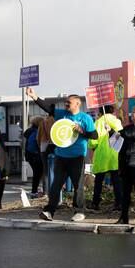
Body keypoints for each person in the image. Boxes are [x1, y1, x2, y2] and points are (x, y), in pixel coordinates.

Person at [26, 87, 97, 222]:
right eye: (65, 103)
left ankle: (79, 211)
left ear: (77, 104)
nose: (66, 105)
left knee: (78, 185)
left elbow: (95, 135)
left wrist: (82, 131)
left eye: (68, 103)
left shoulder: (85, 118)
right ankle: (49, 211)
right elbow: (48, 109)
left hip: (77, 157)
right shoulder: (62, 114)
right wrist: (34, 96)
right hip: (61, 156)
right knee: (56, 185)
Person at [88, 105, 123, 211]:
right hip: (115, 153)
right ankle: (119, 203)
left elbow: (93, 141)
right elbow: (120, 137)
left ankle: (95, 203)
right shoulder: (117, 122)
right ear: (112, 111)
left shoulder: (98, 122)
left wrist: (92, 147)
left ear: (100, 112)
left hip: (101, 155)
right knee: (116, 180)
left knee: (98, 180)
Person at [24, 116, 44, 198]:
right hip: (35, 156)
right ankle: (34, 191)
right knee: (38, 173)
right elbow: (33, 144)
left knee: (37, 173)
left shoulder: (29, 131)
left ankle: (35, 190)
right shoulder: (36, 131)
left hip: (29, 155)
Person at [37, 105, 56, 194]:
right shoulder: (57, 121)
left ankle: (46, 191)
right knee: (57, 169)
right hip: (56, 145)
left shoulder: (43, 122)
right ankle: (56, 190)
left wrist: (40, 145)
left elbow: (38, 137)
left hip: (44, 146)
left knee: (46, 170)